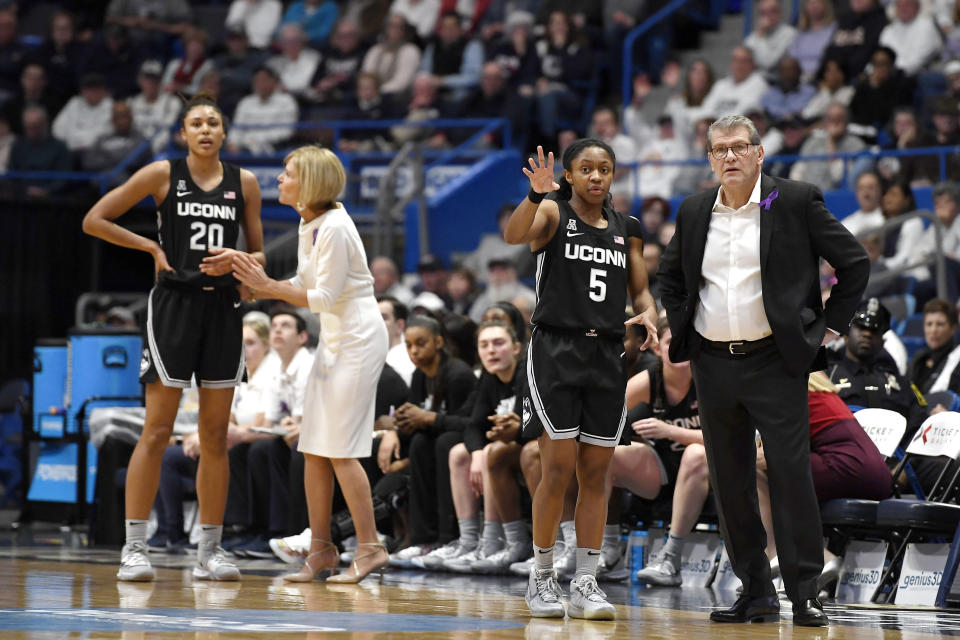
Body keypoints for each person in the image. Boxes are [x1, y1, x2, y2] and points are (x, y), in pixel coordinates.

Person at [657, 114, 870, 626]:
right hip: (713, 362)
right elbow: (669, 277)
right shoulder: (692, 211)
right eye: (719, 149)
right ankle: (755, 592)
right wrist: (684, 329)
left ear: (759, 154)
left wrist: (825, 329)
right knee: (729, 482)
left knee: (790, 476)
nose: (729, 156)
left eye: (738, 147)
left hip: (776, 362)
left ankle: (804, 594)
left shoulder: (794, 201)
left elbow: (855, 263)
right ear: (709, 160)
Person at [82, 92, 266, 582]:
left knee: (214, 437)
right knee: (158, 430)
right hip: (174, 307)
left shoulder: (244, 183)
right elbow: (94, 219)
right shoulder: (163, 174)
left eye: (213, 123)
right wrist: (148, 244)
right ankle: (135, 547)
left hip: (223, 310)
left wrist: (244, 267)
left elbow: (260, 255)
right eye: (196, 124)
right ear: (182, 134)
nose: (205, 130)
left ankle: (211, 549)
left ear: (224, 133)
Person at [504, 139, 658, 620]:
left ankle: (586, 582)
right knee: (557, 469)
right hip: (556, 349)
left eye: (605, 169)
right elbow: (514, 236)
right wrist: (534, 195)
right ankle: (543, 576)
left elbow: (640, 290)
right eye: (586, 169)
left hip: (606, 353)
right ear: (569, 175)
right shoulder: (551, 213)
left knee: (597, 473)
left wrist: (649, 314)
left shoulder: (626, 228)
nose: (596, 177)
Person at [231, 145, 389, 583]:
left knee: (340, 450)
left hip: (356, 337)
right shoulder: (311, 223)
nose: (279, 179)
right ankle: (320, 551)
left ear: (311, 182)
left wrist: (268, 287)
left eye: (287, 173)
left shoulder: (336, 226)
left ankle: (371, 547)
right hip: (337, 337)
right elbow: (305, 282)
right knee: (314, 448)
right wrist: (260, 287)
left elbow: (322, 297)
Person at [610, 316, 707, 587]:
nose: (679, 349)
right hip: (663, 471)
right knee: (605, 454)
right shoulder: (647, 381)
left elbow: (726, 441)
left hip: (709, 475)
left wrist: (670, 431)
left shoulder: (709, 380)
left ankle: (671, 559)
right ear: (657, 349)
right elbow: (604, 417)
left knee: (696, 454)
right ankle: (608, 551)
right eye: (671, 343)